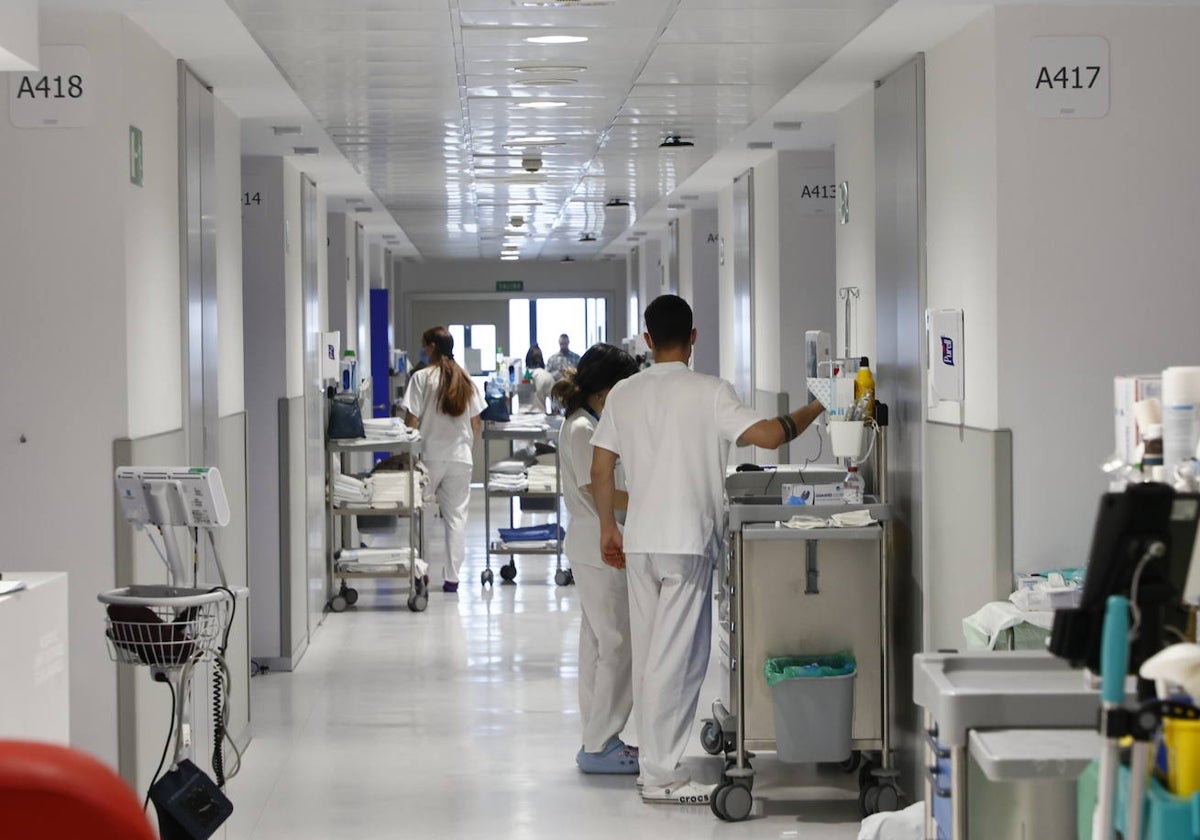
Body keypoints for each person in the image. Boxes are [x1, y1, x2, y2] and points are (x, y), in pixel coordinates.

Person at [590, 295, 825, 806]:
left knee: (654, 656)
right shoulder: (711, 392)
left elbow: (601, 469)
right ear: (693, 337)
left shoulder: (624, 394)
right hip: (685, 542)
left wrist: (608, 527)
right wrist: (819, 404)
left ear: (647, 340)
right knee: (679, 660)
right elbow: (767, 436)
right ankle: (661, 775)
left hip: (642, 539)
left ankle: (655, 764)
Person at [552, 344, 641, 775]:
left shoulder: (585, 423)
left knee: (597, 642)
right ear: (606, 392)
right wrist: (653, 496)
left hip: (590, 542)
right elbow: (597, 488)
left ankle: (596, 735)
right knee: (617, 644)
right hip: (596, 542)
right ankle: (602, 742)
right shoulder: (583, 429)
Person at [401, 326, 486, 593]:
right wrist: (466, 450)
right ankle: (452, 578)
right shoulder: (465, 379)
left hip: (428, 457)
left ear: (433, 347)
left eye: (425, 346)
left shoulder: (421, 378)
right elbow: (476, 424)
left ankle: (421, 573)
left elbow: (411, 421)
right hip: (460, 457)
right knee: (456, 518)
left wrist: (406, 452)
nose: (423, 351)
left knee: (421, 516)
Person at [524, 345, 556, 413]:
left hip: (519, 419)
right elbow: (555, 402)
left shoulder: (520, 375)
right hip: (539, 418)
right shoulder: (546, 376)